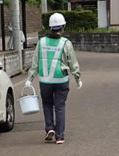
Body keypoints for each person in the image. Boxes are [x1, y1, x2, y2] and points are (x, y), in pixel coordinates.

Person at [25, 13, 82, 145]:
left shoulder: (41, 42)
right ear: (63, 27)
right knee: (60, 106)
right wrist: (77, 79)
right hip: (61, 79)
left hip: (45, 80)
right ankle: (60, 136)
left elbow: (35, 62)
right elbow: (73, 63)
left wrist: (30, 78)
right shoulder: (66, 43)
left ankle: (49, 128)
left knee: (47, 105)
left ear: (50, 27)